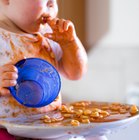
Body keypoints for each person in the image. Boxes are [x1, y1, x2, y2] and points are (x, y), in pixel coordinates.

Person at [0, 0, 87, 139]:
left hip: (50, 128)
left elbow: (75, 73)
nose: (52, 3)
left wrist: (70, 43)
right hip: (6, 132)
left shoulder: (50, 36)